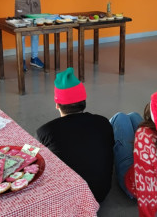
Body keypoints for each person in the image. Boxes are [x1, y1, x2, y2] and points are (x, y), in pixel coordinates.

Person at [36, 68, 113, 202]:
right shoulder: (103, 122)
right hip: (101, 193)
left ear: (57, 104)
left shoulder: (46, 131)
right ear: (84, 101)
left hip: (69, 199)